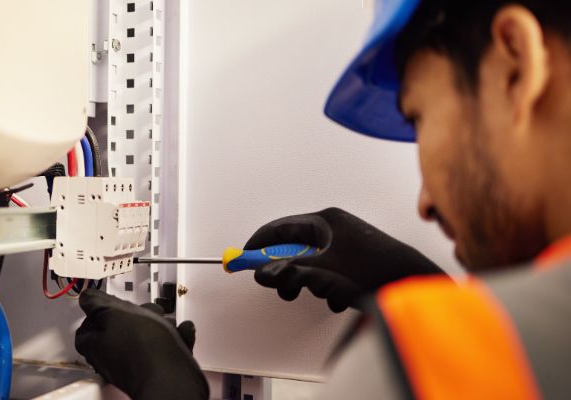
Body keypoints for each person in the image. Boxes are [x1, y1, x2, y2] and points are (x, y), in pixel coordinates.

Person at [73, 0, 571, 398]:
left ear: (514, 63)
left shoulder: (421, 359)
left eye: (419, 120)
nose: (424, 204)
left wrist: (170, 393)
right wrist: (418, 283)